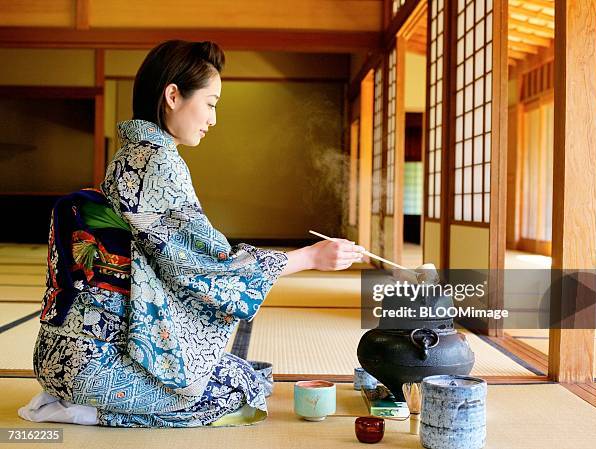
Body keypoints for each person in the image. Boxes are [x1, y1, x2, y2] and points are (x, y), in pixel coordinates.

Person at [19, 40, 365, 428]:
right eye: (211, 102)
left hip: (62, 350)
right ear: (173, 95)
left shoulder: (130, 156)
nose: (213, 119)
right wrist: (309, 258)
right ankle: (86, 412)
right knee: (239, 394)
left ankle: (74, 397)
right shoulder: (159, 163)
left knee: (244, 374)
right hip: (95, 362)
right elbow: (207, 269)